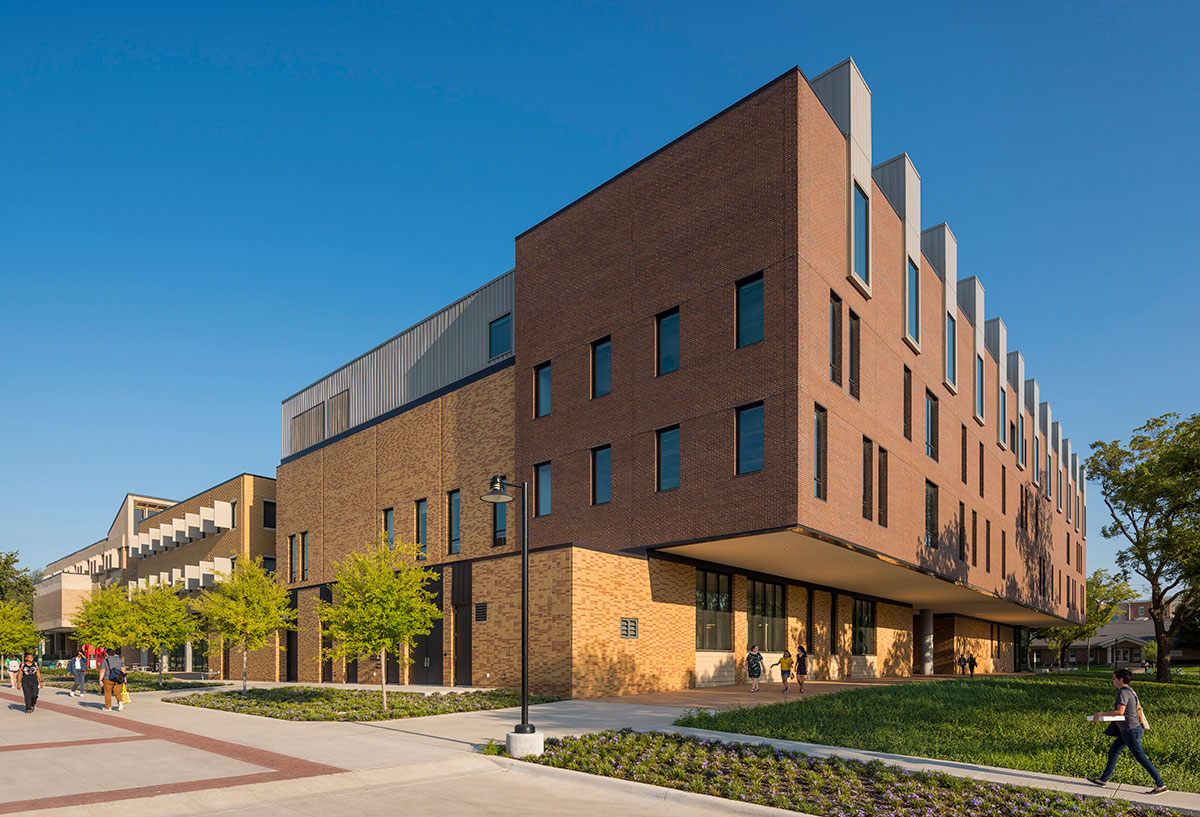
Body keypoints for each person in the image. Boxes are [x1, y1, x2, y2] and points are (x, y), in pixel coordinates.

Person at [1086, 668, 1167, 795]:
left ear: (1120, 679)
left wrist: (1100, 714)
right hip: (1128, 730)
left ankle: (1160, 785)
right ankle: (1103, 779)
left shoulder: (1123, 692)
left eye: (1114, 678)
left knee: (1140, 757)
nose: (1112, 680)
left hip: (1130, 730)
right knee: (1113, 751)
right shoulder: (1130, 691)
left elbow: (1120, 712)